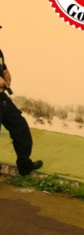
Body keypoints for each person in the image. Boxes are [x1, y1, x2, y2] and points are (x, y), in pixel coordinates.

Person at [0, 25, 43, 176]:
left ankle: (24, 165)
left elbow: (4, 68)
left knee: (20, 127)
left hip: (2, 99)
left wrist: (7, 75)